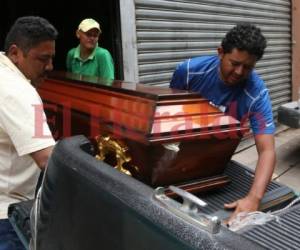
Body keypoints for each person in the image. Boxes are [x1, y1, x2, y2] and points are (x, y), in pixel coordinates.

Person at [170, 23, 276, 224]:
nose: (238, 72)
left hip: (219, 159)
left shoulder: (256, 93)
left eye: (248, 67)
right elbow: (171, 114)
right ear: (220, 52)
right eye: (234, 63)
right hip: (182, 150)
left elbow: (267, 150)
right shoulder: (189, 72)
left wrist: (254, 199)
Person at [0, 16, 57, 249]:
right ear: (15, 53)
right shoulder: (19, 90)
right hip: (7, 216)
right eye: (43, 59)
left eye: (52, 58)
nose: (50, 67)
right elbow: (47, 159)